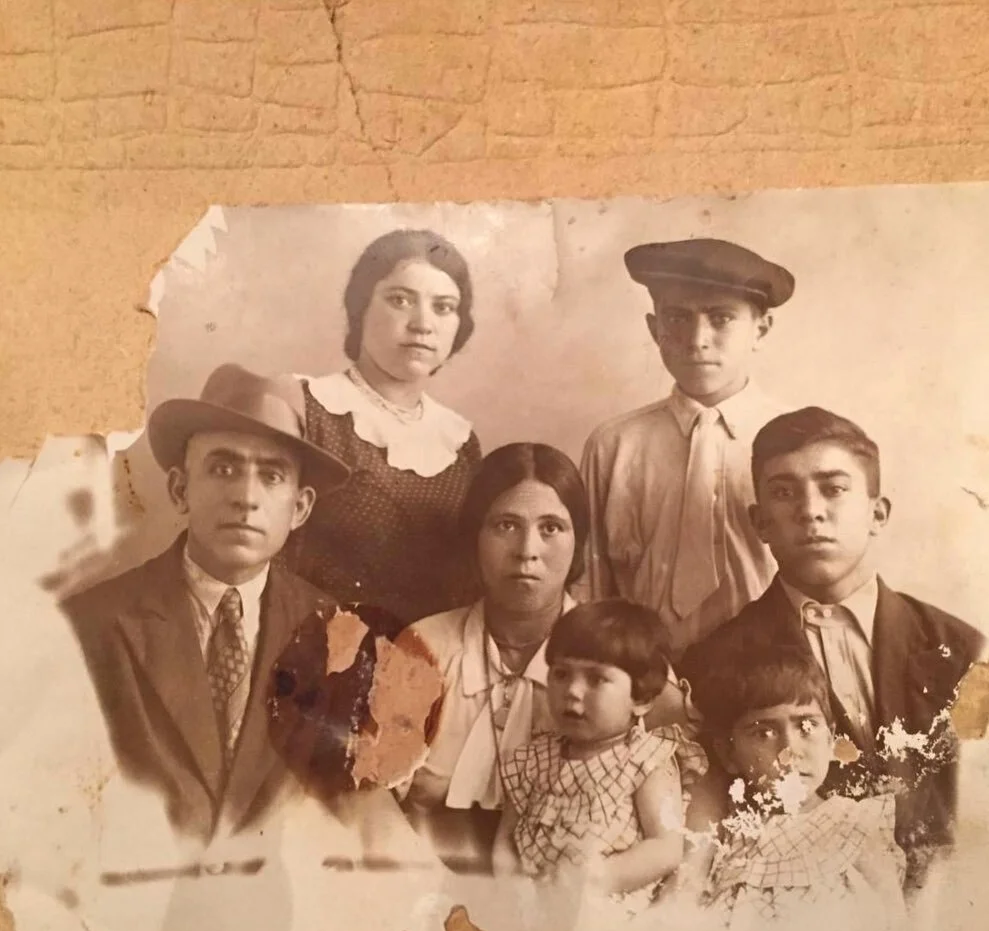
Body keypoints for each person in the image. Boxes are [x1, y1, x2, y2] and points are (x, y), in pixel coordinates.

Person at [680, 406, 987, 892]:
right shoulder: (713, 661)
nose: (809, 510)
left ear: (877, 513)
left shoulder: (961, 647)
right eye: (784, 493)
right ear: (760, 523)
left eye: (833, 488)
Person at [61, 363, 351, 844]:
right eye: (223, 468)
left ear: (299, 508)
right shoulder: (92, 623)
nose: (245, 497)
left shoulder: (333, 632)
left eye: (272, 476)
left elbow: (343, 803)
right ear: (180, 490)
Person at [398, 443, 695, 872]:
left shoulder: (626, 655)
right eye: (505, 525)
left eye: (551, 528)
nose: (527, 551)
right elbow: (373, 791)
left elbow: (687, 792)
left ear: (579, 543)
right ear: (474, 538)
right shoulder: (424, 646)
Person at [580, 238, 794, 654]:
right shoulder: (614, 445)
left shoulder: (798, 441)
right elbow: (593, 587)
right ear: (653, 327)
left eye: (721, 318)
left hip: (772, 675)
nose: (697, 339)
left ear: (760, 330)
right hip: (646, 676)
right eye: (677, 317)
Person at [283, 228, 483, 627]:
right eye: (400, 300)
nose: (422, 324)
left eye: (443, 307)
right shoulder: (308, 408)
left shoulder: (461, 443)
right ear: (360, 309)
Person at [492, 599, 708, 913]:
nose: (573, 691)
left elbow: (666, 847)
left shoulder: (647, 760)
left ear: (642, 699)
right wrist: (513, 888)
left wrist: (598, 878)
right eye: (562, 674)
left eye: (596, 679)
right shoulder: (532, 758)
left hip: (610, 910)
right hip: (534, 909)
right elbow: (505, 840)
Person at [691, 644, 906, 931]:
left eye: (807, 726)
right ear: (729, 753)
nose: (789, 752)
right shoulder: (727, 830)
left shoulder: (852, 823)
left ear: (831, 740)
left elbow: (897, 928)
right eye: (763, 733)